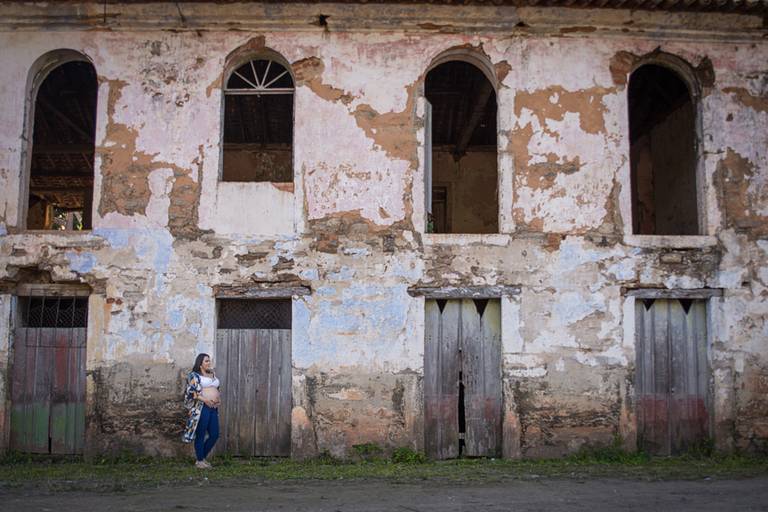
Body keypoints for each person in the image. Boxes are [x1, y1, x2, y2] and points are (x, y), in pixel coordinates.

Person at [183, 353, 221, 468]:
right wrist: (206, 400)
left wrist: (218, 399)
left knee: (214, 434)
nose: (209, 363)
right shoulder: (193, 375)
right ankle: (200, 461)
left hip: (213, 408)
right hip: (202, 408)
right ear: (200, 364)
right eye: (206, 361)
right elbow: (192, 392)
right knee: (201, 434)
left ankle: (201, 458)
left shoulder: (212, 375)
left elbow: (216, 389)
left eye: (209, 361)